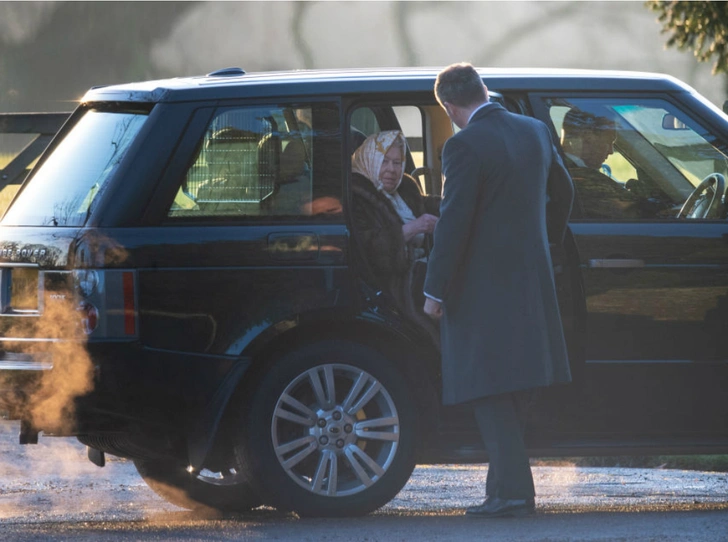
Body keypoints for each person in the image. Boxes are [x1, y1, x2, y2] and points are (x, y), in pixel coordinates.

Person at [423, 63, 574, 518]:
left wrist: (435, 289)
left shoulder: (463, 145)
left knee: (489, 388)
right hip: (533, 280)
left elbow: (453, 225)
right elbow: (563, 192)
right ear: (484, 90)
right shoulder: (533, 130)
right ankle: (505, 489)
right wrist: (543, 244)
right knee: (513, 388)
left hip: (483, 290)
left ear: (448, 106)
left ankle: (511, 495)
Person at [351, 130, 440, 338]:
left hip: (423, 269)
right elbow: (368, 248)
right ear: (370, 159)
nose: (392, 169)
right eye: (384, 161)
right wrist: (416, 227)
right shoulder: (356, 195)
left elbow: (427, 204)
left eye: (397, 163)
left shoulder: (405, 188)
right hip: (396, 283)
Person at [560, 106, 651, 219]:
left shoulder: (561, 169)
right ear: (588, 137)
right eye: (608, 142)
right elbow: (630, 213)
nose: (611, 151)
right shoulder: (581, 178)